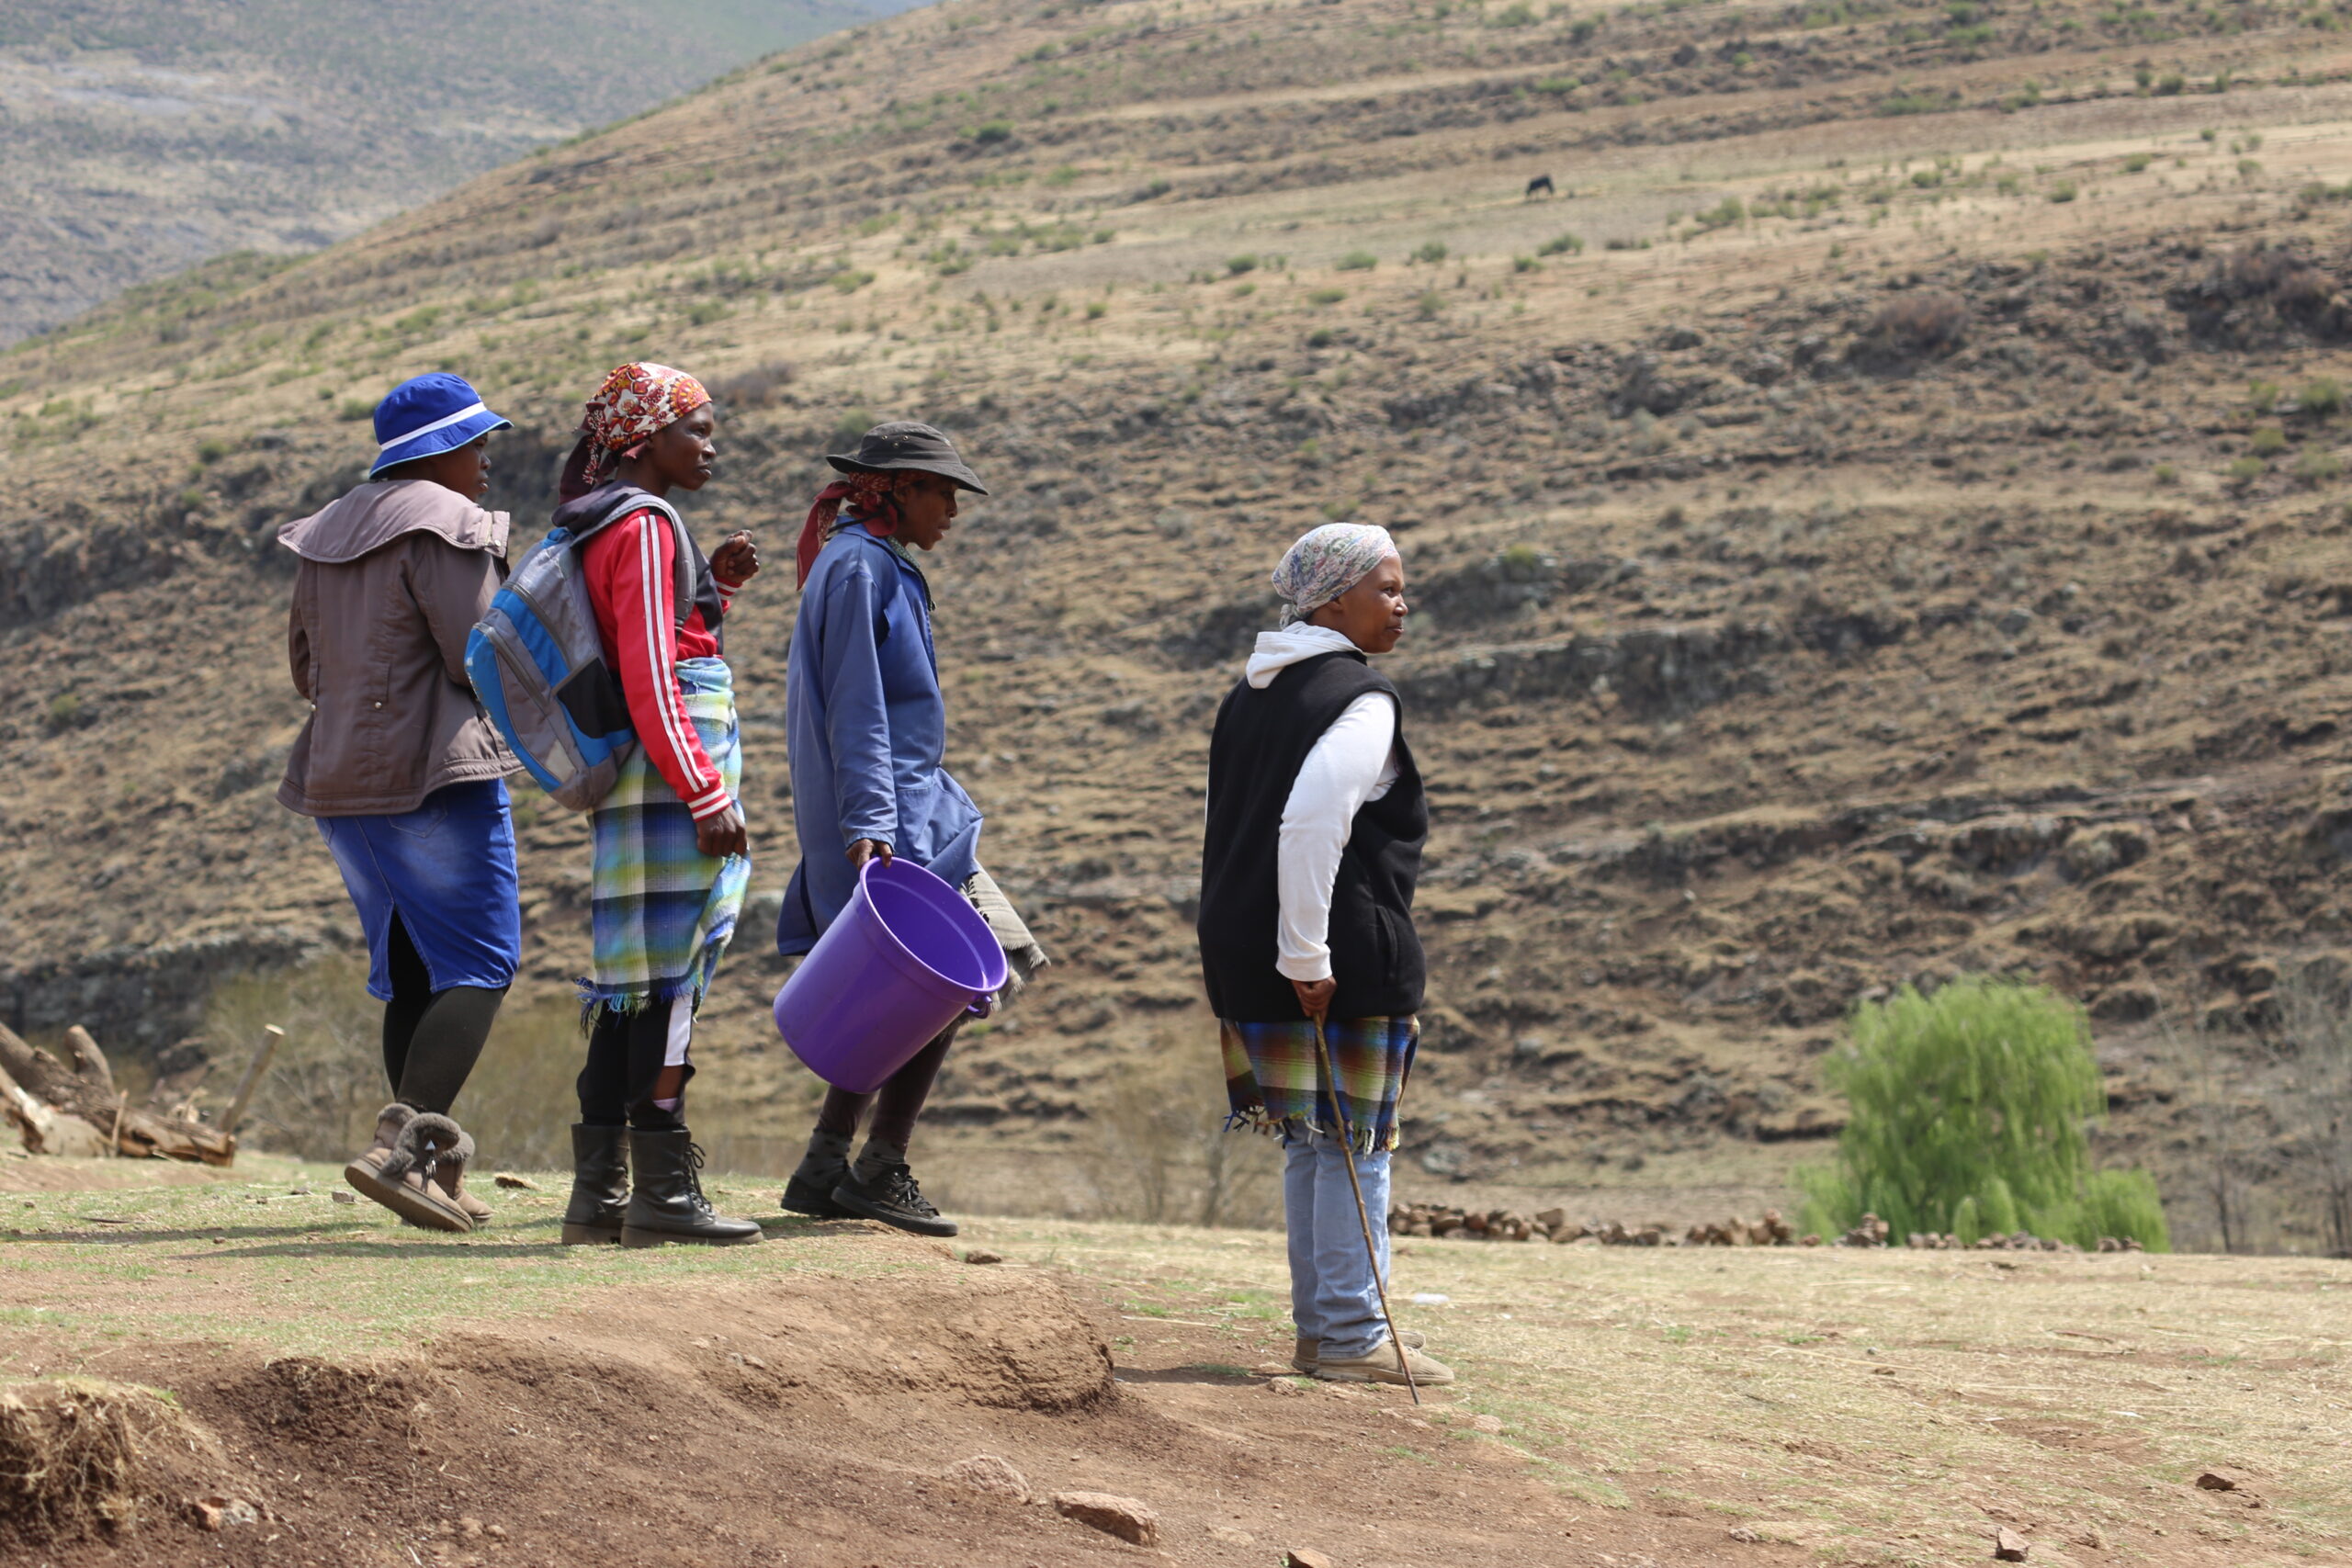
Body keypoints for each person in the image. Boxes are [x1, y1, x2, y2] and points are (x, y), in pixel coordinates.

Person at [1196, 523, 1453, 1387]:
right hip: (1329, 952)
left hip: (1241, 943)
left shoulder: (1249, 694)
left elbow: (1223, 825)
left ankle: (1323, 1328)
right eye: (1386, 587)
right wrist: (1306, 954)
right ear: (1335, 599)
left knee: (1315, 1137)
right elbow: (1310, 824)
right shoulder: (1359, 697)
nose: (1401, 603)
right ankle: (1350, 1332)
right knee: (1357, 1140)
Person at [775, 422, 1047, 1237]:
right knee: (951, 982)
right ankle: (878, 1164)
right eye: (942, 491)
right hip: (897, 818)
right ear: (894, 489)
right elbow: (857, 706)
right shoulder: (860, 567)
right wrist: (871, 825)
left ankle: (829, 1162)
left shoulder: (871, 564)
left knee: (925, 986)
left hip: (914, 808)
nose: (953, 509)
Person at [277, 371, 520, 1235]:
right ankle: (400, 1150)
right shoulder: (448, 522)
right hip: (432, 775)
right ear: (440, 450)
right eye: (477, 443)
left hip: (340, 783)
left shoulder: (329, 530)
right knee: (483, 963)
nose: (488, 460)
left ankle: (432, 1163)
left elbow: (306, 668)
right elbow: (476, 657)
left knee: (413, 970)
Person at [552, 362, 764, 1248]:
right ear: (646, 440)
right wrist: (706, 789)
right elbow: (649, 674)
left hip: (646, 774)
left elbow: (655, 640)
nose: (710, 445)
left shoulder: (614, 523)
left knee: (632, 984)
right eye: (697, 429)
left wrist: (712, 585)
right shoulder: (641, 526)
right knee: (672, 975)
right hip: (672, 775)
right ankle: (664, 1192)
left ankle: (599, 1197)